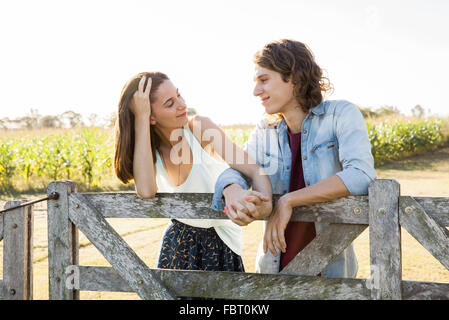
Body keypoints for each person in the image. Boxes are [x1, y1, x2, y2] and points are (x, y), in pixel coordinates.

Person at [212, 39, 377, 278]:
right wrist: (231, 189)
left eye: (264, 80)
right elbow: (238, 169)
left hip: (332, 272)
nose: (256, 91)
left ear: (294, 77)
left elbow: (361, 175)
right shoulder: (265, 130)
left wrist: (288, 200)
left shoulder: (341, 114)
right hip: (273, 270)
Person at [113, 72, 272, 279]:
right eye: (170, 103)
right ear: (151, 117)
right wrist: (141, 117)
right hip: (177, 245)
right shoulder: (148, 152)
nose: (181, 104)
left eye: (179, 95)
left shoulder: (200, 128)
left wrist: (267, 208)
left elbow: (253, 169)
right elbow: (146, 190)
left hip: (220, 245)